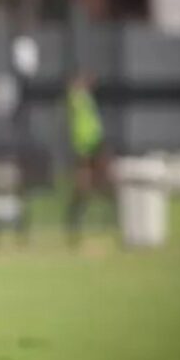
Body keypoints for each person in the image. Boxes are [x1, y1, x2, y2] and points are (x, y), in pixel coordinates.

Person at [65, 72, 112, 245]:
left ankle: (109, 219)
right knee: (83, 188)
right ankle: (74, 227)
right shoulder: (76, 98)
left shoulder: (86, 99)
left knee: (104, 183)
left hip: (95, 145)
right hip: (84, 149)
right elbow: (77, 89)